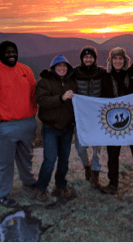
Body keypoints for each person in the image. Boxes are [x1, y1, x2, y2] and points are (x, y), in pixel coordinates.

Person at [0, 40, 38, 208]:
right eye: (7, 52)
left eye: (14, 52)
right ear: (0, 54)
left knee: (27, 157)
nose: (11, 55)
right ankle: (3, 194)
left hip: (27, 123)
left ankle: (29, 181)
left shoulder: (25, 70)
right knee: (4, 163)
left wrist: (33, 111)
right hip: (5, 127)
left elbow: (34, 92)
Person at [99, 47, 133, 195]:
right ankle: (113, 183)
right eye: (115, 59)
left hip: (132, 120)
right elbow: (101, 98)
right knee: (113, 155)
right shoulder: (106, 77)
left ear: (125, 60)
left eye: (121, 59)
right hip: (112, 121)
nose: (118, 61)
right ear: (111, 61)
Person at [34, 55, 77, 202]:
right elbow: (42, 100)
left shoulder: (72, 81)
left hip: (67, 127)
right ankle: (41, 188)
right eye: (59, 66)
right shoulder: (44, 82)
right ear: (53, 67)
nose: (62, 68)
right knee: (50, 159)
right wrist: (61, 98)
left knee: (64, 160)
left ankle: (60, 186)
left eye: (65, 66)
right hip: (50, 127)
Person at [73, 46, 106, 189]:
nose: (88, 59)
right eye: (85, 57)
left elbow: (111, 86)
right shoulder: (75, 72)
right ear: (82, 59)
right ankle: (87, 166)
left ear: (95, 59)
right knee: (80, 148)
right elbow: (60, 78)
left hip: (98, 116)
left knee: (97, 149)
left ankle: (95, 174)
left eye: (91, 57)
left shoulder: (102, 72)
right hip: (81, 117)